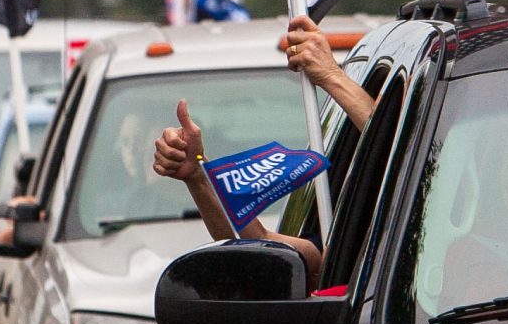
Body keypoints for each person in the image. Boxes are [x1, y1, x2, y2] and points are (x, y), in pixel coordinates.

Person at [151, 16, 372, 277]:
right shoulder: (359, 219)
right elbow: (253, 249)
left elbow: (405, 151)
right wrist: (198, 177)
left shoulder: (416, 180)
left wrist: (332, 76)